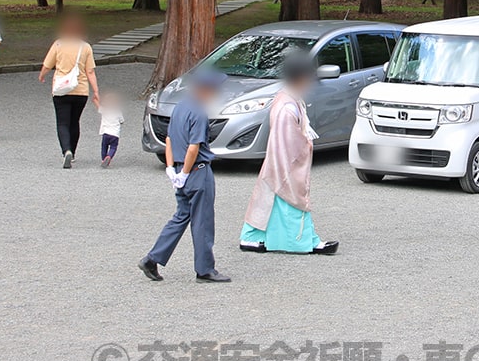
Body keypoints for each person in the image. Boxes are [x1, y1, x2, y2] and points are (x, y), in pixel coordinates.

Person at [239, 53, 339, 255]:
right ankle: (303, 240)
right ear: (300, 79)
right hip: (285, 163)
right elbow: (289, 142)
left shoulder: (288, 99)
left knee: (267, 201)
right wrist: (306, 146)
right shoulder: (287, 107)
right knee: (292, 200)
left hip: (278, 162)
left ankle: (252, 237)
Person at [139, 70, 231, 283]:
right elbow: (193, 147)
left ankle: (153, 258)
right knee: (203, 221)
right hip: (197, 171)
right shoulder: (198, 112)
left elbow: (169, 140)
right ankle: (205, 269)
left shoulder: (180, 108)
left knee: (181, 216)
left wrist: (172, 169)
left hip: (180, 168)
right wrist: (186, 172)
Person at [38, 13, 99, 168]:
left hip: (61, 89)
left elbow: (47, 64)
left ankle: (66, 150)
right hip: (80, 90)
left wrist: (42, 75)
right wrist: (96, 91)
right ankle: (73, 152)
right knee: (75, 121)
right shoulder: (85, 47)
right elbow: (90, 71)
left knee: (62, 122)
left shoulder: (58, 44)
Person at [98, 92, 124, 168]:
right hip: (115, 133)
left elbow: (98, 106)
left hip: (105, 132)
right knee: (113, 147)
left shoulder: (104, 110)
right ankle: (109, 156)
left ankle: (103, 159)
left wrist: (95, 99)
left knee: (104, 146)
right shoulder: (118, 111)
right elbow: (122, 120)